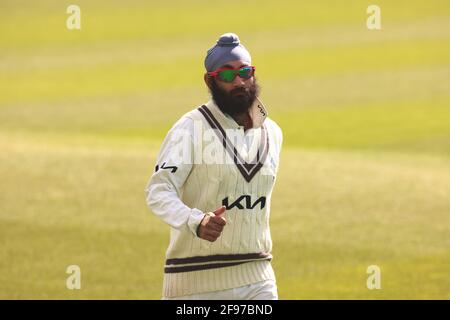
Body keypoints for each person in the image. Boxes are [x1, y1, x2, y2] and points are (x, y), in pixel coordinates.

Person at [145, 32, 283, 300]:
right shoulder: (191, 128)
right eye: (228, 75)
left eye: (245, 71)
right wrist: (196, 221)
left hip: (258, 276)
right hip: (195, 283)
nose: (240, 81)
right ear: (210, 80)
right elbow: (158, 191)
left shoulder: (273, 133)